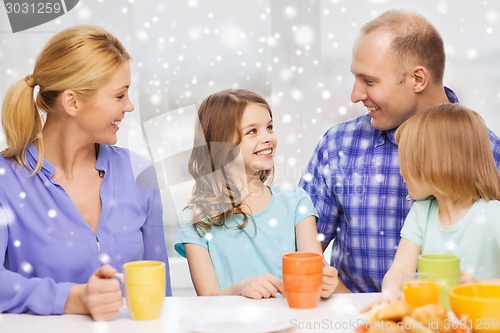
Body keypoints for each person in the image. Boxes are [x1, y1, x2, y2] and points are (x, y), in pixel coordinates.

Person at [299, 9, 500, 293]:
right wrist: (345, 302)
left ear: (418, 79)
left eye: (369, 81)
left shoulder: (488, 153)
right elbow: (299, 251)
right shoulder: (337, 147)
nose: (355, 95)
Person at [0, 25, 171, 321]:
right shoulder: (6, 181)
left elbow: (160, 293)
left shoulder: (139, 173)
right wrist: (72, 298)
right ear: (72, 102)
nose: (129, 106)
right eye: (119, 96)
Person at [174, 89, 338, 298]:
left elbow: (314, 271)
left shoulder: (297, 203)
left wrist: (325, 281)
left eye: (269, 127)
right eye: (253, 131)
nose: (268, 137)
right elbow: (208, 298)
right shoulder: (196, 220)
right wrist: (240, 290)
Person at [381, 103, 500, 300]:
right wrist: (391, 290)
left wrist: (479, 286)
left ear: (435, 163)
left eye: (407, 161)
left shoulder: (493, 214)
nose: (401, 171)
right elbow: (400, 269)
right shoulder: (422, 212)